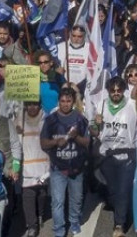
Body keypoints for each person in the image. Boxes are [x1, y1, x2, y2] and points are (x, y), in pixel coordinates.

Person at [39, 87, 91, 237]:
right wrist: (55, 142)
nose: (65, 104)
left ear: (73, 102)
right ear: (58, 102)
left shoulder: (80, 119)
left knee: (76, 199)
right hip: (57, 169)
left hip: (77, 169)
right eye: (62, 101)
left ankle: (74, 221)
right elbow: (43, 143)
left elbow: (87, 142)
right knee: (57, 202)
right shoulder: (50, 120)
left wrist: (76, 137)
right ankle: (59, 229)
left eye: (69, 101)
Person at [93, 76, 137, 237]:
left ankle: (119, 224)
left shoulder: (133, 104)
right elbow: (94, 131)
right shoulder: (102, 104)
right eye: (113, 90)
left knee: (123, 190)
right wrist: (95, 123)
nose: (116, 93)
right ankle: (122, 209)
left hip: (126, 156)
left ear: (124, 90)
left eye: (119, 90)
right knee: (112, 191)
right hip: (107, 156)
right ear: (108, 91)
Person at [11, 100, 48, 237]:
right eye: (29, 104)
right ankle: (31, 226)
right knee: (28, 196)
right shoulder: (19, 120)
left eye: (35, 104)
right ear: (25, 106)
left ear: (40, 105)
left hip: (43, 168)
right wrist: (18, 132)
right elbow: (14, 143)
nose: (32, 107)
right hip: (26, 168)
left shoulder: (47, 120)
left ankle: (40, 214)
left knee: (42, 195)